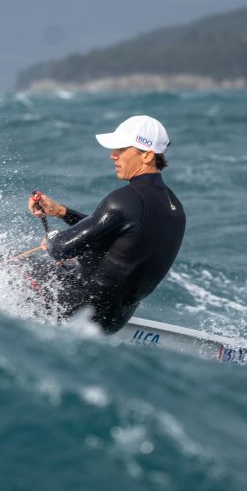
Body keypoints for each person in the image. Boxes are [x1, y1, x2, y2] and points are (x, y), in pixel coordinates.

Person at [26, 115, 186, 333]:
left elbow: (62, 249)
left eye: (121, 149)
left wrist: (52, 238)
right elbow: (111, 231)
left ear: (147, 155)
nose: (113, 155)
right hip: (114, 320)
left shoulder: (125, 200)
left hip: (76, 307)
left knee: (11, 266)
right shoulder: (174, 207)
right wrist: (60, 212)